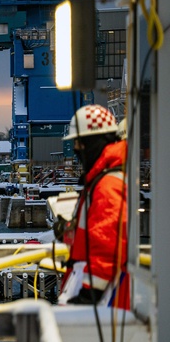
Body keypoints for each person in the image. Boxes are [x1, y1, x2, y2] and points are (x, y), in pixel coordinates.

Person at [56, 104, 129, 307]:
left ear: (93, 141)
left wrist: (89, 295)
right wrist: (69, 233)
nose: (77, 148)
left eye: (80, 142)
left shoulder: (108, 185)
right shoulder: (100, 180)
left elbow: (107, 243)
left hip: (99, 297)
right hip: (92, 287)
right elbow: (93, 232)